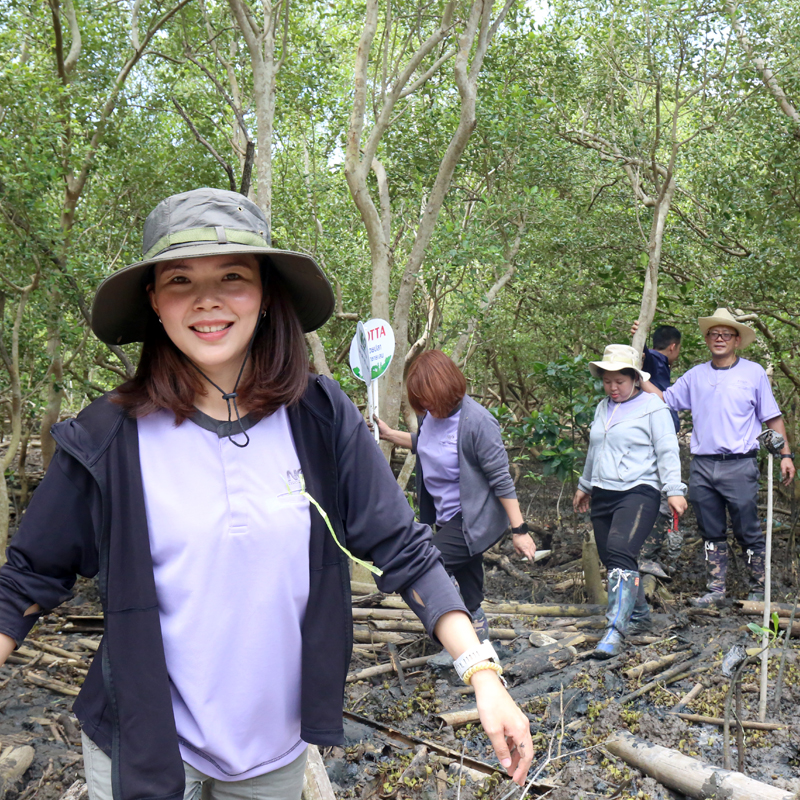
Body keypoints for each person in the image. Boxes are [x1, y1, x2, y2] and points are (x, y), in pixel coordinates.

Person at [0, 189, 533, 800]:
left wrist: (484, 675)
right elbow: (27, 580)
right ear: (153, 299)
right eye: (180, 280)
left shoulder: (319, 416)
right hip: (144, 738)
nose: (207, 300)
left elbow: (403, 549)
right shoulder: (108, 436)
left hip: (273, 746)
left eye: (232, 275)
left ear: (265, 292)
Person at [372, 350, 536, 642]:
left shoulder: (477, 422)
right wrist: (388, 434)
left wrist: (519, 530)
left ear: (446, 388)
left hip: (473, 517)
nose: (424, 406)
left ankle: (454, 637)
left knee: (428, 564)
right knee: (469, 584)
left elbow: (501, 478)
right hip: (445, 515)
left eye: (428, 399)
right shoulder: (430, 417)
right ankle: (478, 632)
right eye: (419, 400)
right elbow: (425, 444)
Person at [640, 308, 795, 606]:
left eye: (726, 334)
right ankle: (716, 590)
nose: (719, 339)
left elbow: (772, 418)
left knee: (748, 529)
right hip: (702, 465)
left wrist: (785, 454)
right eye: (714, 334)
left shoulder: (753, 373)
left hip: (740, 463)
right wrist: (637, 373)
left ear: (737, 340)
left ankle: (757, 592)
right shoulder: (695, 375)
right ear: (707, 339)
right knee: (710, 530)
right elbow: (664, 399)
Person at [573, 345, 687, 658]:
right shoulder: (602, 408)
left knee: (623, 550)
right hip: (604, 491)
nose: (613, 388)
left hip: (640, 489)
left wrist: (674, 489)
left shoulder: (653, 407)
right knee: (613, 558)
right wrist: (585, 485)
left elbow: (667, 450)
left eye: (619, 382)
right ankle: (638, 615)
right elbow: (595, 450)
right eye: (607, 381)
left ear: (635, 379)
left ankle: (614, 630)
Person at [630, 323, 684, 577]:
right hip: (653, 440)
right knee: (661, 497)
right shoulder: (657, 360)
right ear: (673, 346)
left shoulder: (658, 363)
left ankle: (645, 555)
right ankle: (645, 556)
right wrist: (638, 338)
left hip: (654, 436)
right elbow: (643, 357)